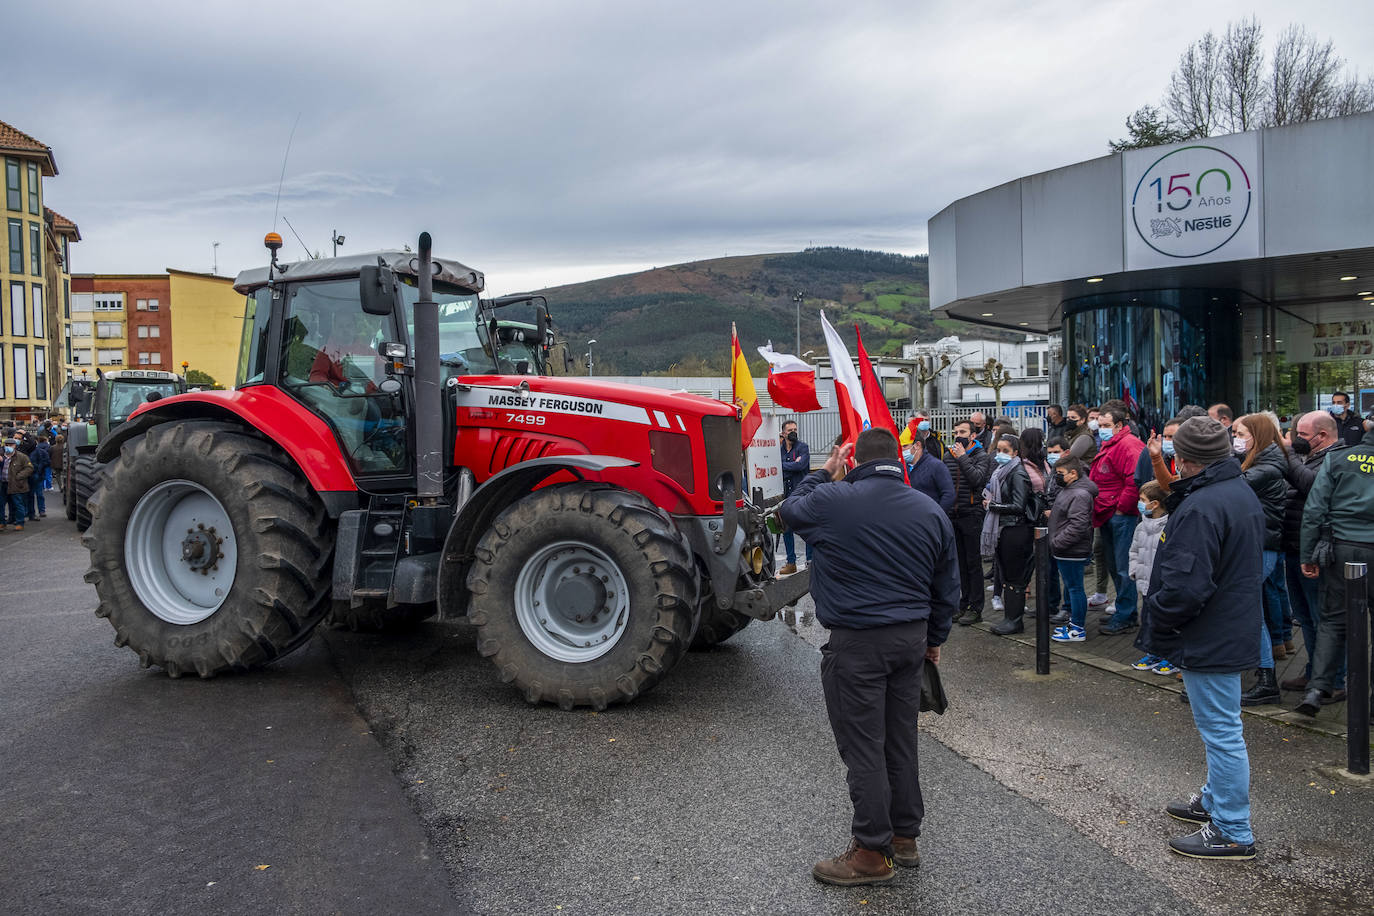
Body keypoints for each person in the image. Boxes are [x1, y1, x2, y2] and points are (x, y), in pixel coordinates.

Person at [779, 428, 958, 886]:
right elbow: (946, 590)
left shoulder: (834, 498)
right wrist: (933, 640)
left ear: (853, 459)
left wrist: (823, 470)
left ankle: (870, 851)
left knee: (863, 747)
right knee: (900, 739)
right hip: (910, 640)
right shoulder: (930, 509)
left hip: (858, 642)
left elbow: (789, 511)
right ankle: (904, 836)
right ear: (899, 461)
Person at [1136, 416, 1263, 860]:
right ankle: (1215, 800)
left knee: (1222, 731)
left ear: (1183, 459)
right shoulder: (1233, 489)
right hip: (1227, 623)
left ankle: (1232, 827)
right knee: (1220, 728)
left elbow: (1186, 586)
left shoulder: (1204, 504)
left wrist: (1159, 620)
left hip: (1211, 631)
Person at [1296, 410, 1374, 717]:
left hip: (1343, 550)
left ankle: (1317, 690)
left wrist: (1307, 555)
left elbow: (1314, 510)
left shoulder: (1340, 459)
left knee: (1332, 621)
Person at [1228, 414, 1291, 706]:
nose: (1235, 439)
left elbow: (1232, 488)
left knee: (1250, 611)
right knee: (1251, 609)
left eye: (1240, 434)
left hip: (1261, 546)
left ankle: (1267, 679)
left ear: (1257, 434)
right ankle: (1263, 674)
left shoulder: (1266, 467)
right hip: (1257, 544)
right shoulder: (1260, 462)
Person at [1279, 410, 1342, 692]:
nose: (1296, 440)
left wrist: (1289, 453)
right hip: (1295, 548)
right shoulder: (1310, 457)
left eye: (1302, 436)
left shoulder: (1335, 458)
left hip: (1316, 554)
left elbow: (1310, 484)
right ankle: (1314, 672)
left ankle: (1332, 679)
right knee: (1305, 618)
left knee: (1322, 619)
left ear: (1323, 436)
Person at [1090, 403, 1145, 634]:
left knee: (1124, 567)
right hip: (1108, 513)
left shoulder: (1128, 445)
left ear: (1119, 425)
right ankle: (1125, 611)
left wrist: (1122, 508)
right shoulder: (1112, 443)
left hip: (1120, 514)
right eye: (1100, 425)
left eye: (1106, 425)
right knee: (1115, 565)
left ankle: (1126, 615)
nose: (1101, 429)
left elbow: (1134, 480)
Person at [983, 432, 1044, 635]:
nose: (1000, 454)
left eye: (1005, 451)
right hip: (1005, 528)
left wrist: (994, 506)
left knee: (1015, 576)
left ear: (1016, 452)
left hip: (1016, 529)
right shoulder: (1002, 471)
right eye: (998, 450)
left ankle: (1014, 620)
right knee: (1008, 575)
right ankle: (1010, 618)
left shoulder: (1017, 472)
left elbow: (1019, 505)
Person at [945, 419, 993, 625]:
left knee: (974, 564)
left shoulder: (981, 456)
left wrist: (963, 457)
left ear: (973, 435)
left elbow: (977, 480)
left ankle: (976, 607)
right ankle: (962, 604)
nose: (958, 435)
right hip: (953, 515)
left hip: (971, 515)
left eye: (963, 432)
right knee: (960, 565)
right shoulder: (948, 456)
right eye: (956, 431)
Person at [1128, 481, 1175, 673]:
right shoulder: (1141, 526)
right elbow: (1134, 551)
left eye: (1142, 500)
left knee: (1165, 621)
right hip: (1144, 581)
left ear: (1155, 503)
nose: (1139, 504)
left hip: (1162, 584)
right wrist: (1134, 571)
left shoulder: (1170, 526)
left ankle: (1170, 656)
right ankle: (1152, 652)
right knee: (1147, 618)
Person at [1049, 456, 1097, 643]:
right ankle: (1074, 624)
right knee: (1072, 587)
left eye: (1060, 474)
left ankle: (1077, 628)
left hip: (1071, 550)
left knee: (1075, 588)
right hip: (1067, 549)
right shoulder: (1071, 489)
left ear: (1073, 473)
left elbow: (1078, 525)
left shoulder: (1080, 494)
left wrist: (1057, 542)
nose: (1057, 477)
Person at [778, 419, 812, 576]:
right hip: (785, 494)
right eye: (790, 430)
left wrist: (782, 465)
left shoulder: (803, 448)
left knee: (805, 527)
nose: (793, 432)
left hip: (802, 493)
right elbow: (775, 467)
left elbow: (800, 466)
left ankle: (810, 562)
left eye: (795, 429)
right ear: (783, 433)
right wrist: (788, 465)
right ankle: (791, 562)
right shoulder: (779, 450)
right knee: (786, 528)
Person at [906, 434, 954, 513]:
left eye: (905, 446)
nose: (901, 450)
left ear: (917, 445)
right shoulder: (902, 466)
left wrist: (936, 515)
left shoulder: (936, 466)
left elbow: (949, 494)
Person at [2, 439, 33, 531]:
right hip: (3, 484)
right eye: (7, 445)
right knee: (1, 504)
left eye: (11, 445)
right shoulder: (2, 456)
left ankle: (20, 522)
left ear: (15, 446)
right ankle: (2, 522)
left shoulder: (22, 457)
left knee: (18, 503)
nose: (9, 446)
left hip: (16, 484)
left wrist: (18, 476)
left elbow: (29, 468)